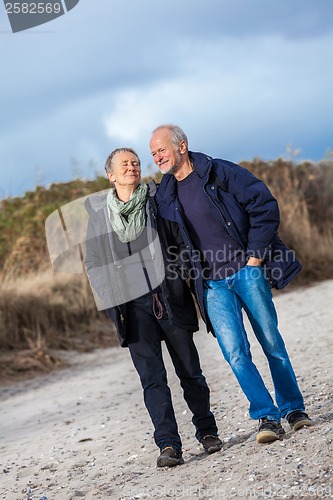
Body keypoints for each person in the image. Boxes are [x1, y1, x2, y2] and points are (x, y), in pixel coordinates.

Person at [150, 124, 313, 444]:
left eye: (162, 150)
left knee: (271, 343)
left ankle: (293, 410)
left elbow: (264, 205)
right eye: (153, 153)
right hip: (212, 285)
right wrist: (190, 270)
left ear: (182, 146)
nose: (157, 157)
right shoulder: (165, 194)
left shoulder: (218, 171)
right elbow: (171, 241)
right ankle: (267, 416)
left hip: (246, 271)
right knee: (235, 353)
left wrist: (255, 256)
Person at [84, 147, 223, 467]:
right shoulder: (100, 215)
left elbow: (180, 241)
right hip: (131, 309)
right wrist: (111, 305)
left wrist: (178, 279)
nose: (131, 167)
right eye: (124, 164)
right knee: (152, 379)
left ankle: (207, 431)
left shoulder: (158, 199)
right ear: (111, 175)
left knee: (190, 371)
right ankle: (168, 445)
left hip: (169, 298)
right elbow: (94, 263)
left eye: (134, 162)